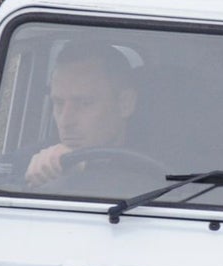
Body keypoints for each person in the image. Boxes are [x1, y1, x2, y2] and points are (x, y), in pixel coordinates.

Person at [25, 43, 139, 188]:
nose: (65, 122)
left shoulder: (163, 168)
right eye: (59, 103)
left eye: (85, 103)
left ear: (125, 104)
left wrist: (83, 170)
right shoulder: (30, 162)